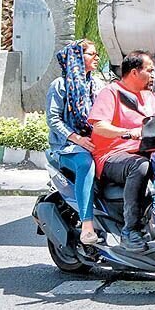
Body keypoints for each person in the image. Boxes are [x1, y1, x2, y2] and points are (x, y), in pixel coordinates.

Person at [87, 50, 155, 250]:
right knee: (140, 167)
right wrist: (128, 132)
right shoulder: (111, 92)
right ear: (134, 72)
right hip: (111, 156)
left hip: (145, 151)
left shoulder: (148, 97)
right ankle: (130, 230)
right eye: (150, 71)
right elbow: (99, 126)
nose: (154, 75)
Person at [45, 40, 106, 246]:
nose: (96, 58)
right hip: (67, 147)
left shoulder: (97, 84)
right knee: (85, 164)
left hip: (97, 140)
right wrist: (77, 138)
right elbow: (53, 119)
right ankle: (87, 226)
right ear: (77, 58)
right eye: (91, 54)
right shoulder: (59, 85)